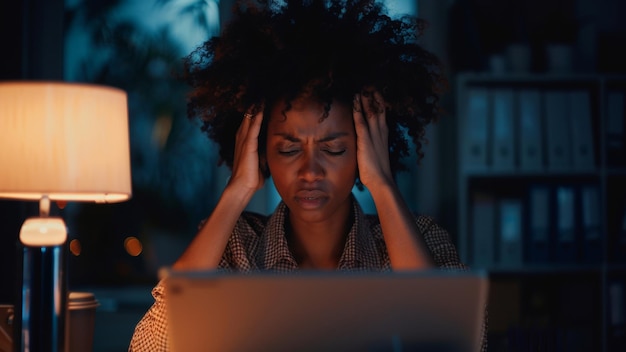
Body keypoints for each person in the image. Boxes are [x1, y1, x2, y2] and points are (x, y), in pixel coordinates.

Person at [129, 0, 487, 351]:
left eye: (333, 149)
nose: (310, 171)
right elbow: (150, 348)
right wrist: (236, 190)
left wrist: (383, 183)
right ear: (259, 150)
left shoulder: (421, 239)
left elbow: (460, 343)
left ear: (368, 148)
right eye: (288, 149)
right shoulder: (230, 247)